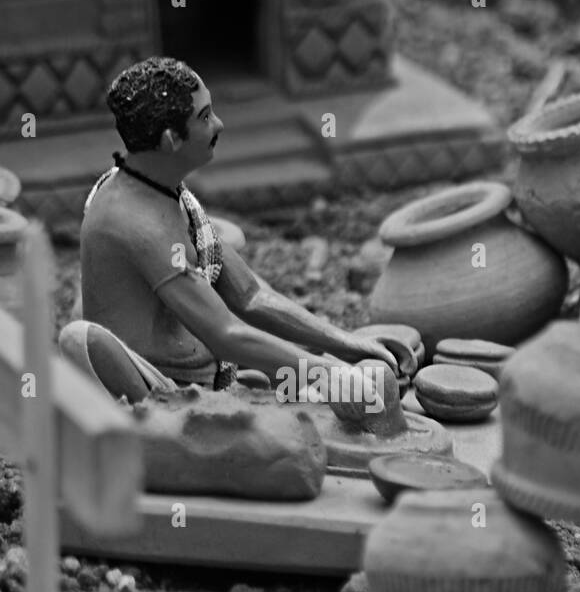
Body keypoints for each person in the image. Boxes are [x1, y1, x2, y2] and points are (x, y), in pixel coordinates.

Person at [62, 56, 410, 415]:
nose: (219, 124)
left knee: (297, 385)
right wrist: (326, 372)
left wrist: (345, 345)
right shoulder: (138, 224)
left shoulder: (167, 193)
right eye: (205, 117)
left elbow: (252, 297)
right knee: (290, 426)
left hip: (212, 373)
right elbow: (226, 335)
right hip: (169, 395)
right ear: (170, 140)